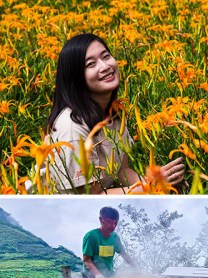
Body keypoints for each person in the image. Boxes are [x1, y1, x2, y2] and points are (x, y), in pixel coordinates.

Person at [44, 33, 184, 194]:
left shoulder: (114, 114)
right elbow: (89, 198)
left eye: (106, 56)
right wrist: (150, 187)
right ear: (76, 78)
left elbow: (121, 172)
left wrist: (161, 182)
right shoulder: (72, 128)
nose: (104, 66)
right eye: (91, 64)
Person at [82, 206, 136, 278]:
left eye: (115, 222)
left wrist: (136, 267)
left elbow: (124, 254)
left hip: (109, 276)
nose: (113, 226)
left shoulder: (115, 237)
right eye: (109, 222)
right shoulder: (91, 236)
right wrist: (98, 275)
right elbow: (86, 260)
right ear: (101, 220)